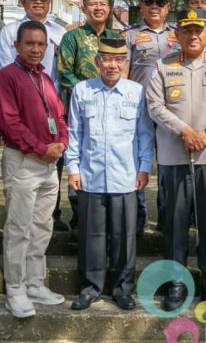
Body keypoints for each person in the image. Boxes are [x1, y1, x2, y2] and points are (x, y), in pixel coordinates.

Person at [146, 8, 206, 313]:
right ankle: (177, 283)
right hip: (175, 156)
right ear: (178, 34)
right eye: (186, 30)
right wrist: (184, 130)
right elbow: (154, 105)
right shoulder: (162, 66)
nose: (192, 35)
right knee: (175, 223)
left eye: (198, 30)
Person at [66, 39, 154, 311]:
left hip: (125, 175)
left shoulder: (137, 92)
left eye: (118, 60)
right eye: (106, 59)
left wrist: (144, 167)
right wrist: (72, 168)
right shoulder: (82, 91)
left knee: (124, 236)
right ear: (97, 62)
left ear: (125, 63)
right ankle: (90, 288)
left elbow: (144, 134)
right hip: (91, 175)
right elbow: (74, 133)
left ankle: (122, 288)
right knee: (91, 236)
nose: (112, 65)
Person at [0, 21, 68, 318]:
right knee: (18, 228)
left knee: (41, 227)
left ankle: (35, 282)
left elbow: (59, 116)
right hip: (24, 162)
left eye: (41, 44)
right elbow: (9, 123)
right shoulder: (7, 77)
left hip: (50, 164)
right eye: (30, 44)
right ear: (17, 45)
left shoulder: (45, 79)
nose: (36, 49)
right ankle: (15, 289)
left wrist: (61, 141)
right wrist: (41, 148)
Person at [0, 0, 69, 231]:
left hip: (50, 110)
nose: (39, 2)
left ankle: (55, 214)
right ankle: (17, 271)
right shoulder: (10, 32)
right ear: (23, 1)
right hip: (23, 126)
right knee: (20, 223)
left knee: (43, 222)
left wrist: (60, 139)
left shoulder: (60, 32)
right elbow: (7, 69)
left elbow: (61, 75)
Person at [57, 0, 121, 230]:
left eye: (102, 4)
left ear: (109, 7)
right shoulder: (72, 38)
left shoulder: (116, 36)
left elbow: (123, 69)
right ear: (83, 8)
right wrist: (90, 92)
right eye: (92, 4)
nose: (98, 8)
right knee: (80, 158)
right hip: (82, 108)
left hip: (114, 108)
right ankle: (78, 215)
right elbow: (64, 72)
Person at [124, 0, 179, 234]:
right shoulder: (130, 34)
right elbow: (123, 71)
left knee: (169, 164)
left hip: (171, 108)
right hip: (139, 108)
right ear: (142, 6)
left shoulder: (179, 34)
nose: (154, 6)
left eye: (160, 2)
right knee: (138, 162)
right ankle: (138, 217)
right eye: (149, 2)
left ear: (168, 7)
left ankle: (168, 217)